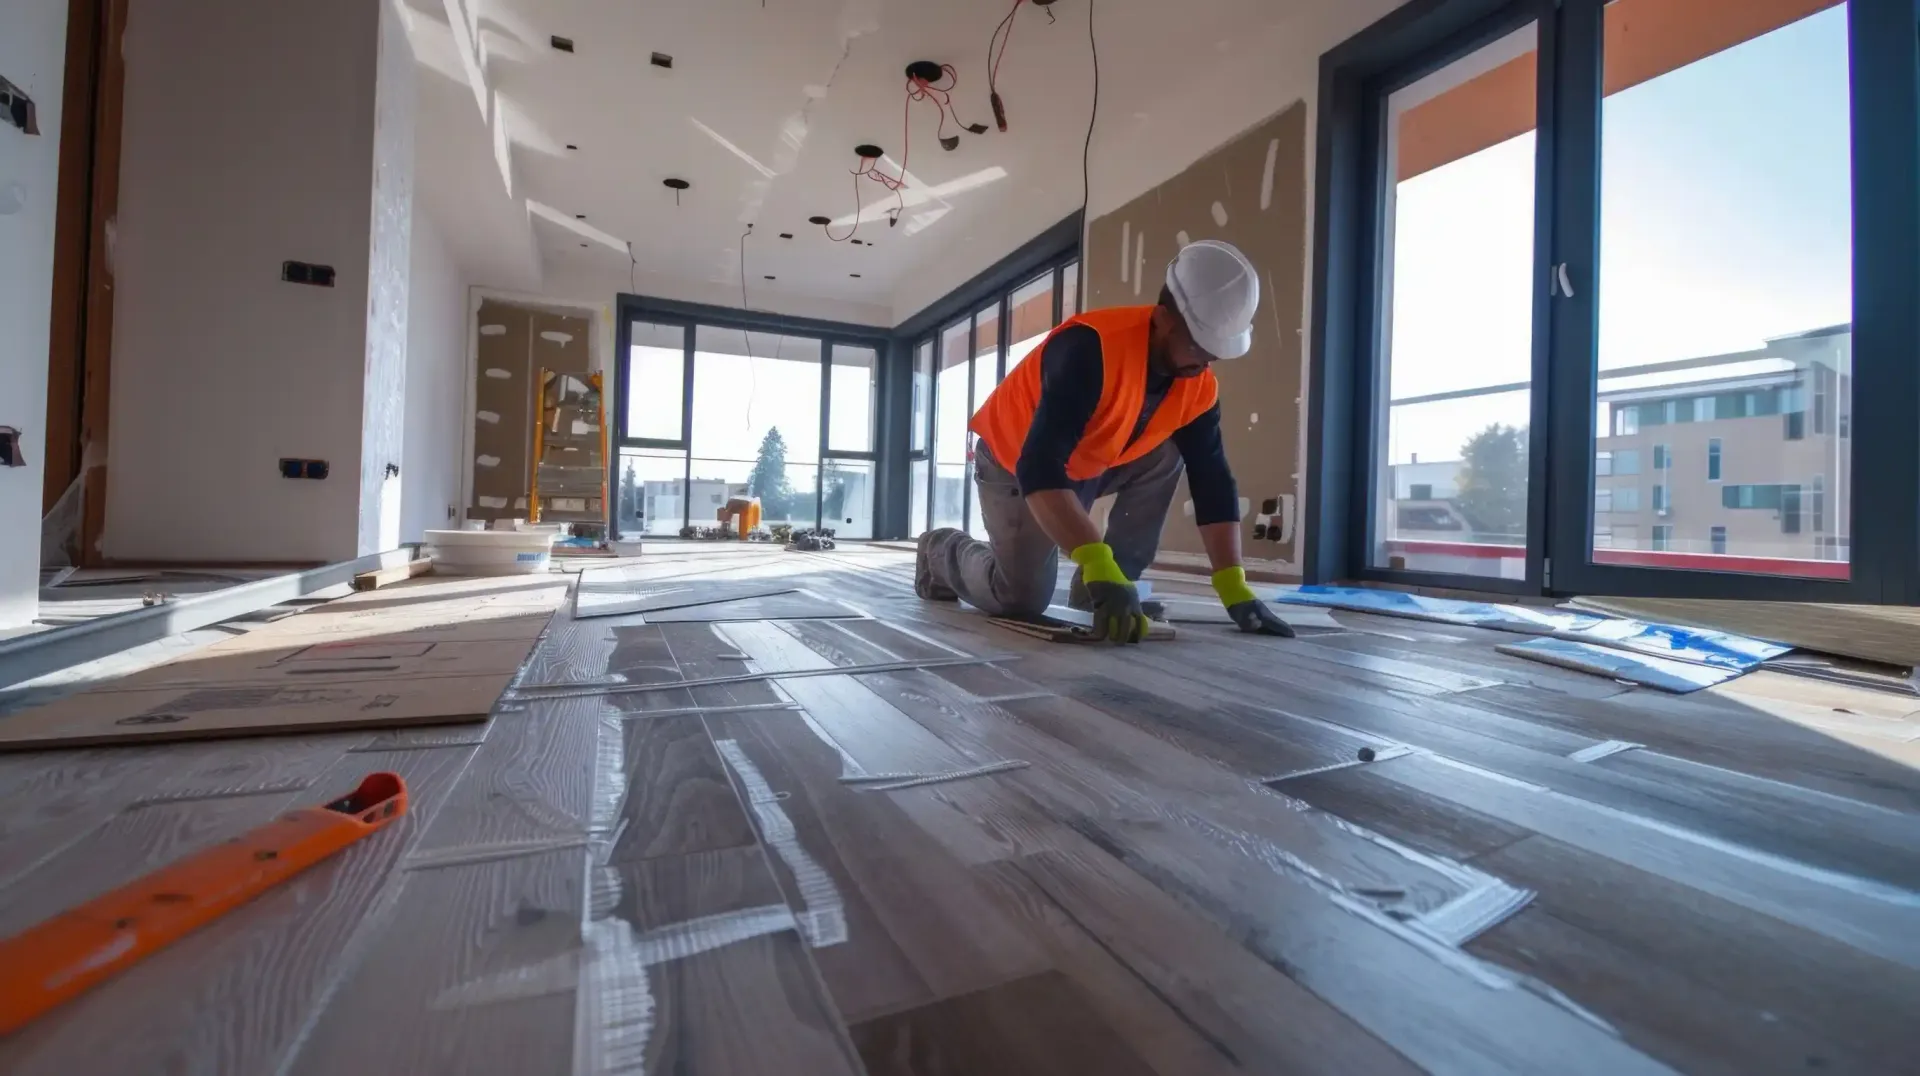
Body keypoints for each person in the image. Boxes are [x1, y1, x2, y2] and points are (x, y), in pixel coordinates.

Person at [915, 239, 1295, 643]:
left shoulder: (1197, 385)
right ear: (1164, 318)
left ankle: (1105, 587)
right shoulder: (1089, 349)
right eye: (1198, 343)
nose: (1206, 360)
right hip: (1014, 460)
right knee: (1019, 597)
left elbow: (1213, 481)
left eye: (1216, 351)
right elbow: (1039, 465)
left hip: (1090, 460)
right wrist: (1094, 558)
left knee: (1169, 453)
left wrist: (1232, 586)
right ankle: (940, 551)